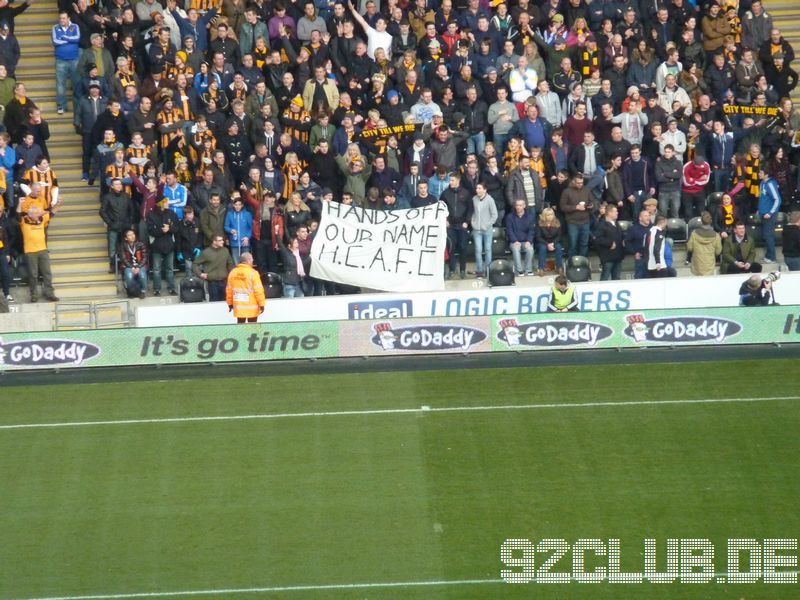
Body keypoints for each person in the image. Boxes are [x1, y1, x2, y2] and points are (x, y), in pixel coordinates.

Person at [20, 206, 59, 303]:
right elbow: (17, 215)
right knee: (33, 274)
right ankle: (34, 295)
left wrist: (58, 203)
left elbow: (52, 212)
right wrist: (19, 204)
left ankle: (50, 294)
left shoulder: (42, 219)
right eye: (35, 213)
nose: (38, 214)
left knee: (47, 273)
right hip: (30, 251)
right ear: (30, 214)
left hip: (43, 250)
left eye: (38, 213)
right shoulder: (24, 221)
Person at [226, 252, 265, 323]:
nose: (253, 261)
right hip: (252, 307)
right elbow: (258, 291)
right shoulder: (253, 273)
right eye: (252, 260)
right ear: (248, 261)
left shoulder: (233, 272)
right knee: (252, 329)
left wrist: (230, 303)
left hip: (238, 307)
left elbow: (229, 290)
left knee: (241, 328)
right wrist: (262, 304)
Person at [194, 234, 234, 302]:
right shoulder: (206, 252)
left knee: (226, 303)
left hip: (224, 281)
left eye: (222, 240)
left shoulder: (225, 250)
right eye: (220, 240)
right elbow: (195, 264)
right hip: (212, 283)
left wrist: (231, 275)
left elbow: (230, 263)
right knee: (214, 304)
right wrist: (200, 274)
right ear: (214, 242)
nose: (222, 242)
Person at [471, 182, 498, 278]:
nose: (477, 190)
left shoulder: (490, 200)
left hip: (487, 229)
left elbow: (494, 215)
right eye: (476, 188)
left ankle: (488, 270)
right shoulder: (474, 199)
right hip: (476, 229)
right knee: (478, 249)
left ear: (485, 190)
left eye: (479, 188)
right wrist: (473, 222)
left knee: (487, 249)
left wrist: (487, 225)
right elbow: (472, 212)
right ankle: (479, 270)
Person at [593, 204, 625, 280]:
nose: (617, 213)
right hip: (607, 257)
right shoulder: (602, 225)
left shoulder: (617, 224)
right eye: (615, 211)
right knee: (605, 277)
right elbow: (597, 239)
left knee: (617, 278)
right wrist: (610, 243)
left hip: (618, 256)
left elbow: (621, 236)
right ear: (609, 213)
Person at [505, 198, 535, 277]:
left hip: (526, 241)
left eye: (520, 205)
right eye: (517, 205)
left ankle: (528, 270)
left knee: (530, 249)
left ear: (524, 206)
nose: (518, 207)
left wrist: (529, 241)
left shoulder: (530, 216)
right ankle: (519, 270)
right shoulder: (510, 217)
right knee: (515, 249)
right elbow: (509, 231)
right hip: (514, 241)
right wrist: (515, 241)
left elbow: (531, 231)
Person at [686, 212, 722, 276]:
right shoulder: (716, 235)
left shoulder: (694, 233)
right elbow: (718, 251)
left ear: (701, 221)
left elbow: (689, 247)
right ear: (711, 221)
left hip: (697, 264)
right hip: (709, 264)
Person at [758, 169, 781, 265]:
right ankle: (768, 256)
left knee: (769, 236)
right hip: (763, 213)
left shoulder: (770, 184)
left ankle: (772, 257)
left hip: (769, 215)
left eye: (761, 173)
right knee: (766, 236)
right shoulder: (762, 183)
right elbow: (762, 198)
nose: (759, 174)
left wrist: (770, 213)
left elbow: (777, 199)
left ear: (766, 175)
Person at [117, 229, 148, 299]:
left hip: (140, 265)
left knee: (142, 275)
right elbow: (123, 258)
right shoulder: (123, 245)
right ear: (126, 238)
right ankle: (132, 292)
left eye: (133, 234)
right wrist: (132, 267)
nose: (132, 236)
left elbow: (145, 257)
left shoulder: (140, 244)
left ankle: (142, 291)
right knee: (129, 276)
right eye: (129, 235)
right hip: (128, 266)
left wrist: (138, 267)